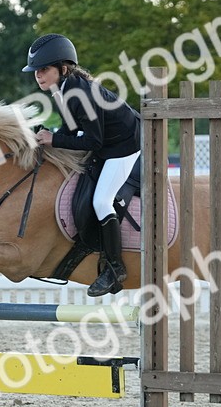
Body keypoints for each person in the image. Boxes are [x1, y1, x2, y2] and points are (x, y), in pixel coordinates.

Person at [23, 33, 141, 297]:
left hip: (124, 148)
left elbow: (93, 141)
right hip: (107, 143)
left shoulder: (79, 93)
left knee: (102, 201)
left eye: (44, 69)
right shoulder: (63, 90)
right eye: (36, 71)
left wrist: (53, 139)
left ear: (62, 69)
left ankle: (114, 268)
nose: (38, 76)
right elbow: (71, 128)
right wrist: (50, 137)